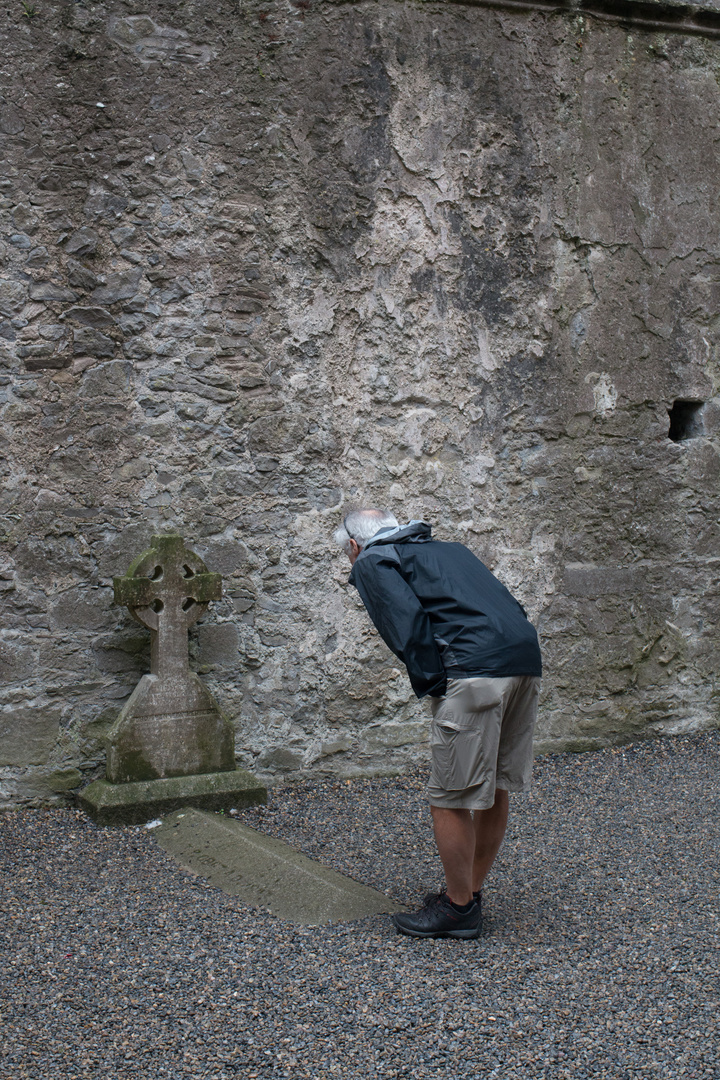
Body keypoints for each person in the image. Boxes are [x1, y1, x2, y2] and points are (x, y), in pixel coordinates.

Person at [334, 508, 542, 940]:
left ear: (354, 546)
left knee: (449, 796)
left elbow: (407, 627)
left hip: (475, 673)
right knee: (494, 785)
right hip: (523, 660)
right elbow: (511, 604)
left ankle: (458, 909)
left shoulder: (374, 560)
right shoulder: (447, 550)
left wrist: (435, 685)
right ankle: (467, 892)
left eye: (348, 555)